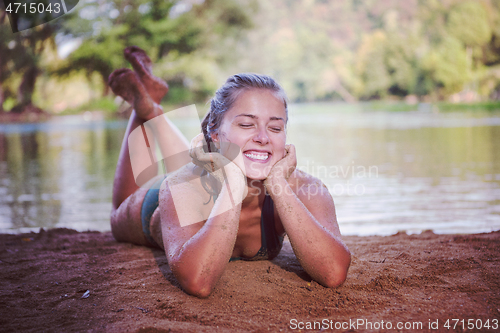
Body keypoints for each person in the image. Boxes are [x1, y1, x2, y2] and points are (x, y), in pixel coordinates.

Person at [109, 46, 351, 298]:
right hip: (168, 197)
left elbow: (333, 273)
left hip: (208, 171)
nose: (262, 137)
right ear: (214, 134)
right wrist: (234, 185)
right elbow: (198, 282)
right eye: (247, 124)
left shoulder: (306, 189)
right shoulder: (180, 187)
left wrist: (279, 186)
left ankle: (152, 108)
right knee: (117, 212)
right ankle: (142, 112)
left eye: (276, 128)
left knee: (208, 164)